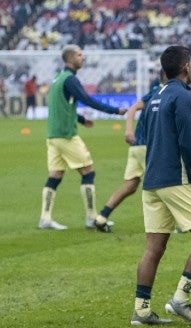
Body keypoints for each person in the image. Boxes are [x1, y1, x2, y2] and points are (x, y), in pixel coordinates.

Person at [132, 45, 191, 326]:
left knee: (154, 248)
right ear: (186, 67)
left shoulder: (155, 96)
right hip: (175, 179)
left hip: (152, 181)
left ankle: (142, 310)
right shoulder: (183, 96)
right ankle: (180, 300)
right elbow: (186, 143)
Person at [39, 45, 127, 230]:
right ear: (70, 58)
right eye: (80, 55)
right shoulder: (70, 80)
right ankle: (91, 217)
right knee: (88, 171)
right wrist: (114, 111)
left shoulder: (57, 78)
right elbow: (87, 100)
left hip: (53, 136)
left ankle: (45, 218)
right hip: (66, 136)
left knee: (55, 175)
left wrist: (80, 119)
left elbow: (61, 105)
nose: (83, 58)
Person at [94, 71, 165, 233]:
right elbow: (134, 108)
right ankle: (175, 223)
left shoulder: (155, 92)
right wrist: (128, 131)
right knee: (164, 184)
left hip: (136, 147)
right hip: (148, 146)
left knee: (130, 185)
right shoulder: (161, 93)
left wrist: (129, 131)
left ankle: (102, 217)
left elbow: (133, 108)